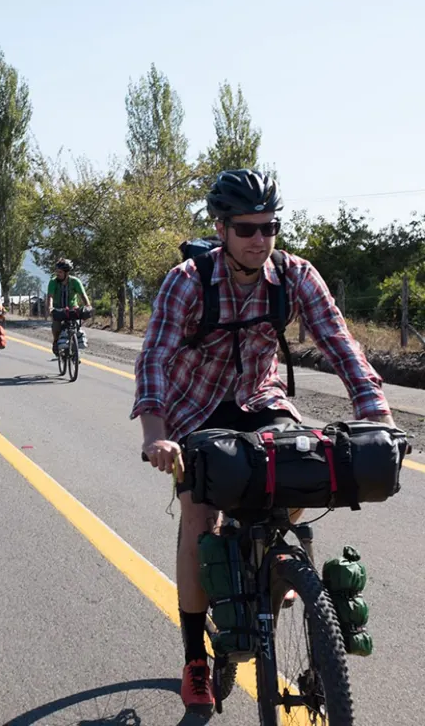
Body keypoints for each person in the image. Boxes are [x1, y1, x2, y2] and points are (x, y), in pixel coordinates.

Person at [132, 169, 395, 709]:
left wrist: (379, 417)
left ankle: (277, 570)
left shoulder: (295, 275)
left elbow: (340, 343)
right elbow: (155, 356)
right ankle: (196, 660)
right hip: (194, 408)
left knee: (303, 475)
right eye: (247, 228)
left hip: (260, 398)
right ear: (222, 228)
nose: (260, 239)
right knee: (199, 516)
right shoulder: (188, 280)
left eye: (270, 227)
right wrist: (156, 434)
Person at [45, 259, 92, 356]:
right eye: (57, 271)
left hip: (72, 309)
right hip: (59, 309)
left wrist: (88, 306)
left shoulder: (75, 281)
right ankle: (56, 342)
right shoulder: (53, 282)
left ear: (67, 273)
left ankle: (75, 349)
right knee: (56, 326)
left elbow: (83, 295)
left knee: (76, 327)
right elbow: (50, 297)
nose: (58, 274)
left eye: (60, 272)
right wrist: (50, 307)